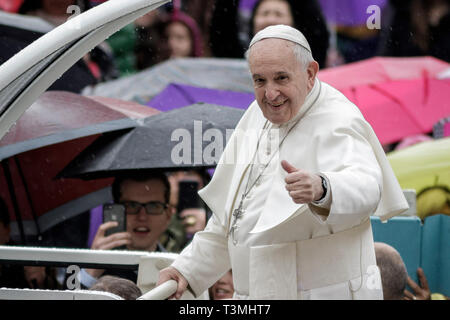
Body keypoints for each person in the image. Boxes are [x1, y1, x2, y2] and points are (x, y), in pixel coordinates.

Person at [156, 25, 408, 300]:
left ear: (310, 73)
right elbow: (233, 219)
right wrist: (186, 270)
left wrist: (323, 188)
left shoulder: (338, 117)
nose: (270, 93)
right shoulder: (256, 114)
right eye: (260, 81)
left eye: (281, 78)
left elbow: (368, 185)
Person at [79, 171, 174, 287]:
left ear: (168, 215)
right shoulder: (85, 268)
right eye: (132, 206)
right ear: (115, 211)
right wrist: (90, 272)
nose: (142, 216)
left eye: (153, 206)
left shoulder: (179, 267)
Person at [209, 0, 329, 68]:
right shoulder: (237, 56)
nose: (271, 20)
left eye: (278, 14)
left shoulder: (305, 59)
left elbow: (318, 33)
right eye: (265, 13)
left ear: (293, 24)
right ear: (252, 23)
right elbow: (221, 30)